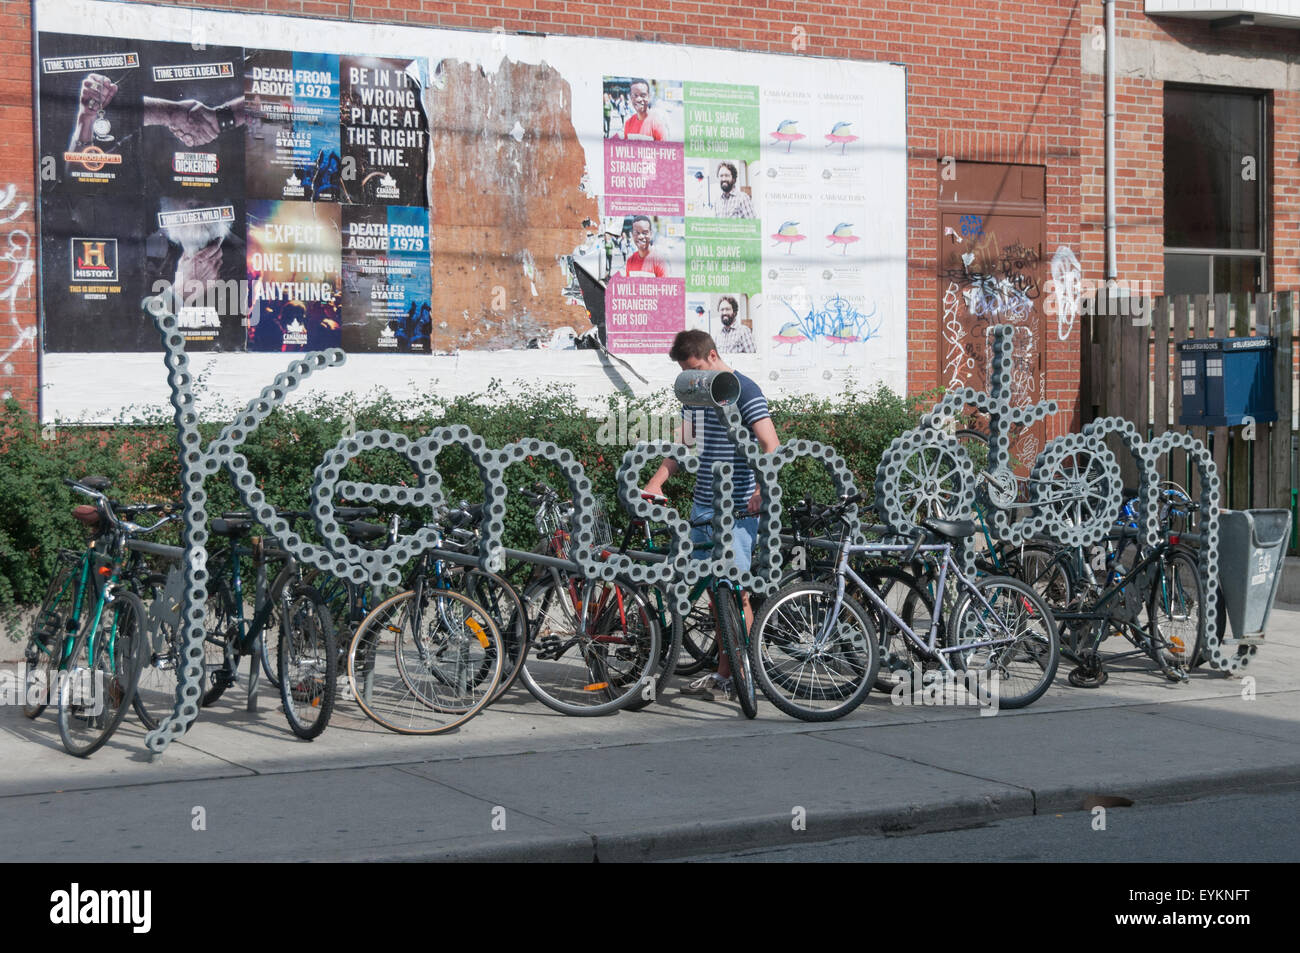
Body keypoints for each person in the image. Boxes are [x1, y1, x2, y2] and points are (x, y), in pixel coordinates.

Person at [642, 330, 780, 700]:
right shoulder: (698, 394)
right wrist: (656, 482)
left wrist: (761, 488)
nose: (692, 378)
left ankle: (741, 672)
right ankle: (725, 671)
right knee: (709, 593)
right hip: (703, 507)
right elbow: (682, 444)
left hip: (737, 509)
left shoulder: (745, 390)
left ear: (713, 356)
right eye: (687, 374)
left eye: (695, 369)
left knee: (737, 595)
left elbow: (771, 443)